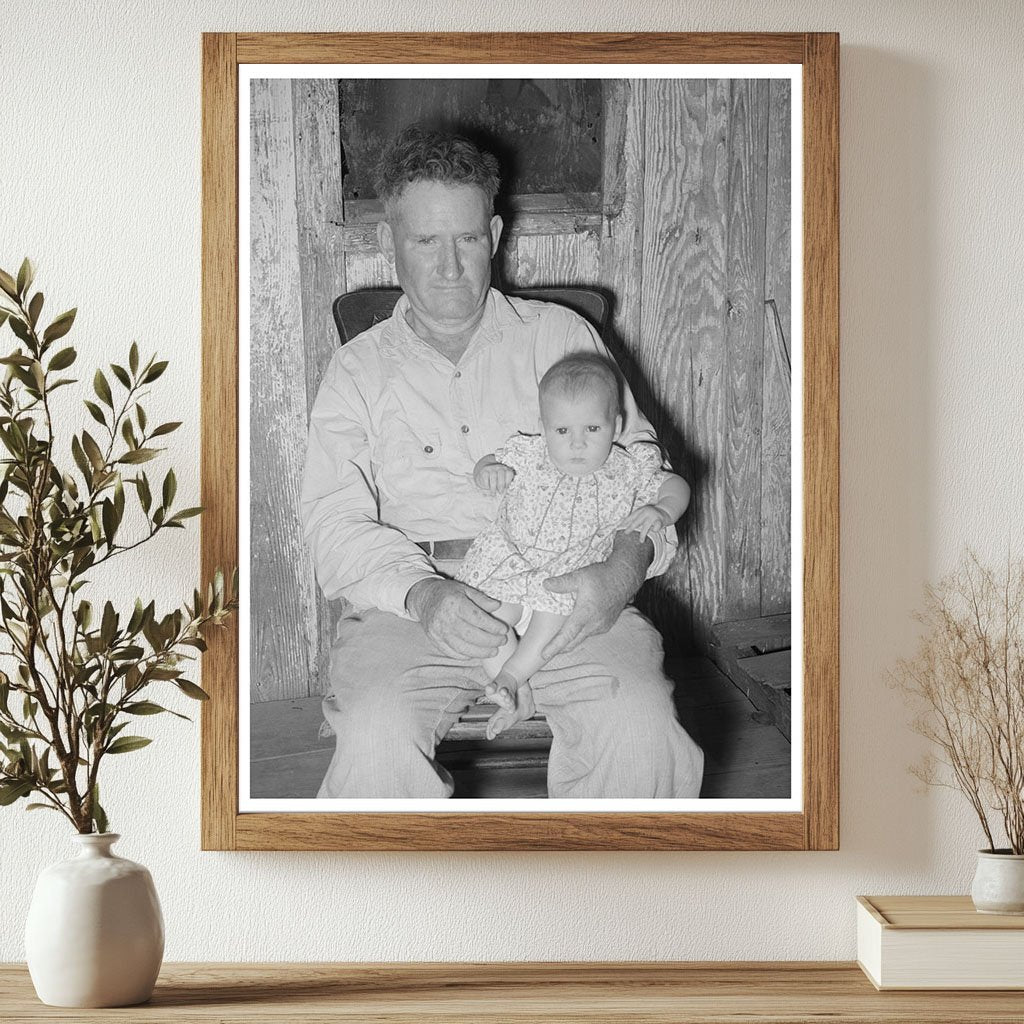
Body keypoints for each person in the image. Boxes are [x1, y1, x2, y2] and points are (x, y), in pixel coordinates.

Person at [301, 124, 703, 799]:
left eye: (465, 239)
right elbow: (331, 523)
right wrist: (425, 595)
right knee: (376, 742)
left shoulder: (560, 337)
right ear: (387, 243)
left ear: (491, 237)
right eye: (425, 241)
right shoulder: (357, 370)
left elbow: (643, 469)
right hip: (414, 605)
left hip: (568, 592)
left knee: (640, 732)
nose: (449, 266)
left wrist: (623, 567)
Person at [456, 352, 692, 741]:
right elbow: (490, 459)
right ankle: (519, 694)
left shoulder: (627, 468)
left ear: (615, 427)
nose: (577, 444)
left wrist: (662, 510)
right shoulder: (529, 455)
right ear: (543, 427)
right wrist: (488, 471)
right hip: (511, 563)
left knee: (551, 616)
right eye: (562, 432)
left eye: (592, 429)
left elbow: (675, 484)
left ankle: (513, 675)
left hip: (566, 574)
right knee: (485, 614)